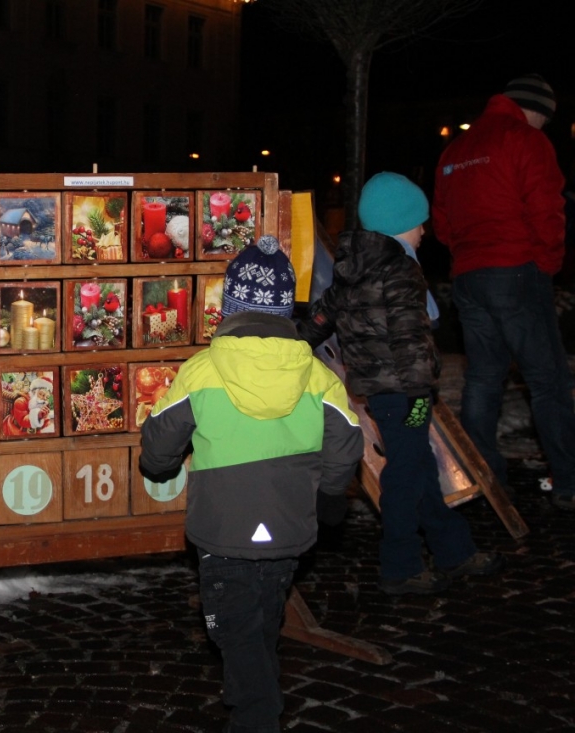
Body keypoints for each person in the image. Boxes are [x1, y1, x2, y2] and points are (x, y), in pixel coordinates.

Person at [140, 235, 363, 733]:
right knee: (262, 619)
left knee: (235, 630)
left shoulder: (202, 371)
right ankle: (256, 703)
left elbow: (159, 441)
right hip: (289, 523)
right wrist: (331, 497)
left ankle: (257, 717)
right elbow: (348, 441)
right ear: (286, 309)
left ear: (230, 307)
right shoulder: (317, 375)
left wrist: (157, 462)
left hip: (223, 528)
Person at [299, 172, 505, 595]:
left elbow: (323, 315)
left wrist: (294, 342)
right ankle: (400, 565)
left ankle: (453, 550)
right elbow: (411, 333)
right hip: (407, 392)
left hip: (383, 393)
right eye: (418, 223)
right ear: (398, 225)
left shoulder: (354, 267)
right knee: (406, 475)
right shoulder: (399, 268)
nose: (424, 231)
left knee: (419, 466)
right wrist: (421, 391)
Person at [432, 74, 575, 511]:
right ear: (537, 111)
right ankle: (568, 481)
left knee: (483, 378)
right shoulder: (526, 140)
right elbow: (547, 208)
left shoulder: (456, 150)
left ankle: (486, 477)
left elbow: (442, 222)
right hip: (516, 270)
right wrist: (547, 263)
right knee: (548, 381)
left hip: (469, 276)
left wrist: (467, 256)